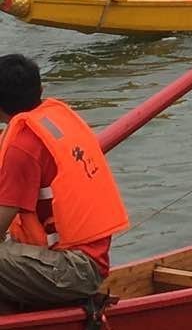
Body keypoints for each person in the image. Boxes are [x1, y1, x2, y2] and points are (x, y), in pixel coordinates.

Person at [0, 54, 128, 310]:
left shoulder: (21, 146)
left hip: (75, 270)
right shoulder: (54, 121)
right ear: (41, 91)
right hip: (86, 261)